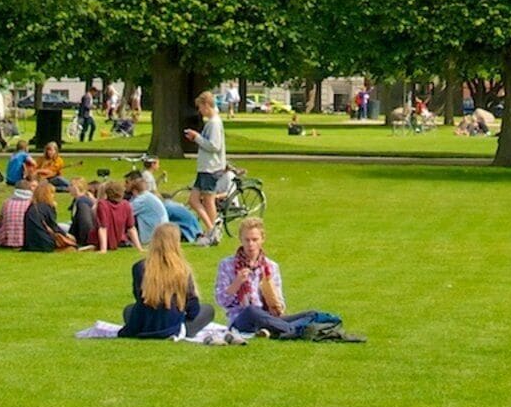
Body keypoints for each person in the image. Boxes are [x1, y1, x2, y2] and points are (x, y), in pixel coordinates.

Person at [217, 218, 354, 340]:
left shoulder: (270, 267)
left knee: (312, 314)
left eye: (255, 239)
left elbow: (280, 301)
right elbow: (221, 301)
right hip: (242, 319)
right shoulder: (228, 265)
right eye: (247, 240)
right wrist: (236, 283)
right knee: (252, 311)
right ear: (240, 240)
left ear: (262, 239)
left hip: (270, 317)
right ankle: (295, 330)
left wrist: (277, 305)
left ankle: (275, 330)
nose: (250, 244)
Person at [117, 224, 209, 340]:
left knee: (129, 310)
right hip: (172, 323)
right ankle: (180, 329)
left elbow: (139, 297)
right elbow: (192, 306)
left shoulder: (139, 267)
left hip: (146, 323)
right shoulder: (182, 269)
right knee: (207, 310)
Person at [187, 91, 232, 237]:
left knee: (208, 200)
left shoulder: (214, 123)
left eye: (200, 107)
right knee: (193, 200)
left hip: (211, 168)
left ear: (206, 105)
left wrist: (197, 138)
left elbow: (214, 146)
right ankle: (211, 228)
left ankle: (213, 230)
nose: (199, 111)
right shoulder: (211, 122)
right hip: (205, 167)